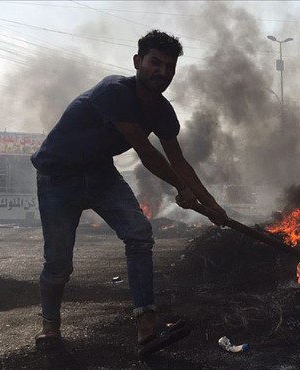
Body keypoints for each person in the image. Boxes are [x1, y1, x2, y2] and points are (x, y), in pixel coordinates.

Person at [30, 30, 228, 355]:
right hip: (58, 176)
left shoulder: (163, 112)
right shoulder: (114, 92)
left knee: (139, 232)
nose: (161, 72)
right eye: (155, 62)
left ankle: (147, 329)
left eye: (169, 66)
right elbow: (146, 153)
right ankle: (49, 326)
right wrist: (180, 189)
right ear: (138, 62)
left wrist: (212, 205)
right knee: (59, 264)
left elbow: (180, 162)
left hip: (99, 173)